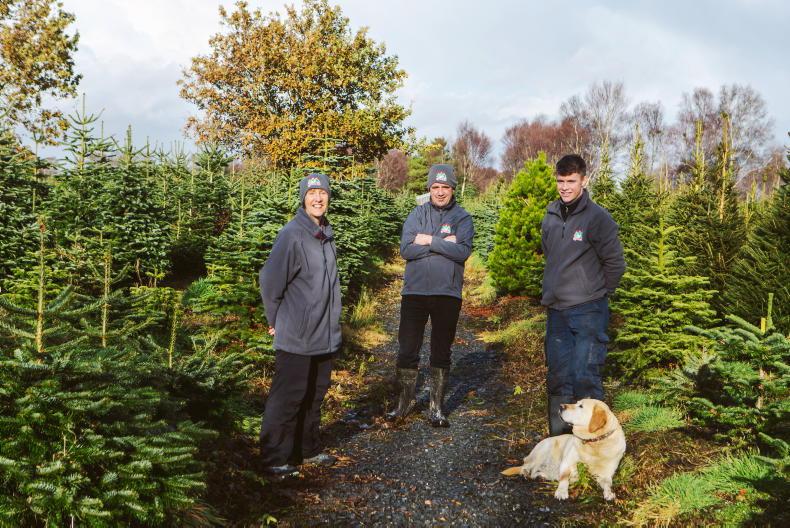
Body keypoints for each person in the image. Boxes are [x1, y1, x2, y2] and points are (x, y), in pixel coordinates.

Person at [258, 173, 342, 475]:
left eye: (322, 193)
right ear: (303, 198)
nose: (317, 198)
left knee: (314, 395)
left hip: (324, 333)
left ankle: (306, 450)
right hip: (297, 332)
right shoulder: (292, 234)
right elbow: (270, 280)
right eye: (311, 194)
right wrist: (274, 319)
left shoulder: (325, 232)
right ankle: (275, 458)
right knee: (288, 396)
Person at [540, 154, 625, 436]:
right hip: (557, 310)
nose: (565, 187)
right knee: (558, 375)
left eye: (571, 181)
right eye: (560, 181)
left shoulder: (598, 218)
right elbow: (551, 256)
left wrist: (598, 294)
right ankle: (560, 444)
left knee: (584, 375)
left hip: (588, 311)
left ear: (584, 181)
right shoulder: (551, 216)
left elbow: (615, 263)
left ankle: (592, 444)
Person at [387, 164, 474, 427]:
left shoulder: (463, 217)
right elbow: (406, 250)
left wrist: (427, 240)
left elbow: (462, 252)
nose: (439, 192)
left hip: (447, 293)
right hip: (414, 292)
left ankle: (436, 408)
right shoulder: (417, 213)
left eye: (444, 187)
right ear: (429, 189)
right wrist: (444, 244)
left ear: (452, 189)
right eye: (435, 187)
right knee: (407, 348)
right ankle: (404, 402)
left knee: (441, 350)